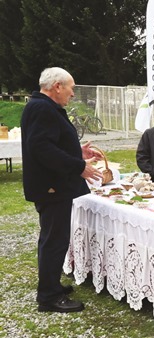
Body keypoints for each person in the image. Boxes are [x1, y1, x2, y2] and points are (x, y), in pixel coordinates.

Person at [21, 67, 103, 313]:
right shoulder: (41, 108)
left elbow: (52, 142)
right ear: (57, 86)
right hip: (51, 187)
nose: (73, 94)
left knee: (54, 238)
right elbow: (42, 149)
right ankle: (48, 296)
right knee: (54, 241)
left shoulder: (44, 107)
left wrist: (78, 152)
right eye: (71, 88)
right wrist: (79, 166)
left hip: (54, 185)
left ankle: (51, 284)